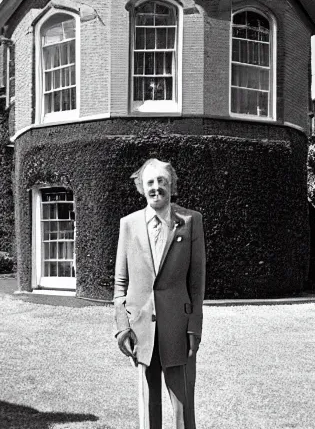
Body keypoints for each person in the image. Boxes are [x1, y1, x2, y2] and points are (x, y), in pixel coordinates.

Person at [114, 158, 206, 429]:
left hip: (178, 330)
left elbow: (197, 283)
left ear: (171, 185)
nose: (156, 187)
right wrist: (122, 328)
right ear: (142, 188)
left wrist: (194, 328)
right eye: (150, 182)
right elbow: (121, 282)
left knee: (183, 407)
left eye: (161, 181)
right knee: (147, 406)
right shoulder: (128, 224)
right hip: (140, 331)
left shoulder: (190, 222)